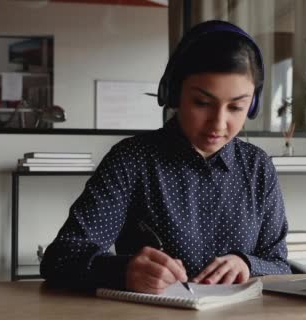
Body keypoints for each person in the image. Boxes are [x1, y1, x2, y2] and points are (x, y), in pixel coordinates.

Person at [40, 20, 291, 294]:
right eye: (202, 103)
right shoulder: (132, 159)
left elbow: (280, 264)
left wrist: (247, 264)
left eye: (236, 107)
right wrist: (123, 271)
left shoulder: (258, 167)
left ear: (252, 104)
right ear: (174, 93)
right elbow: (61, 259)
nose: (218, 123)